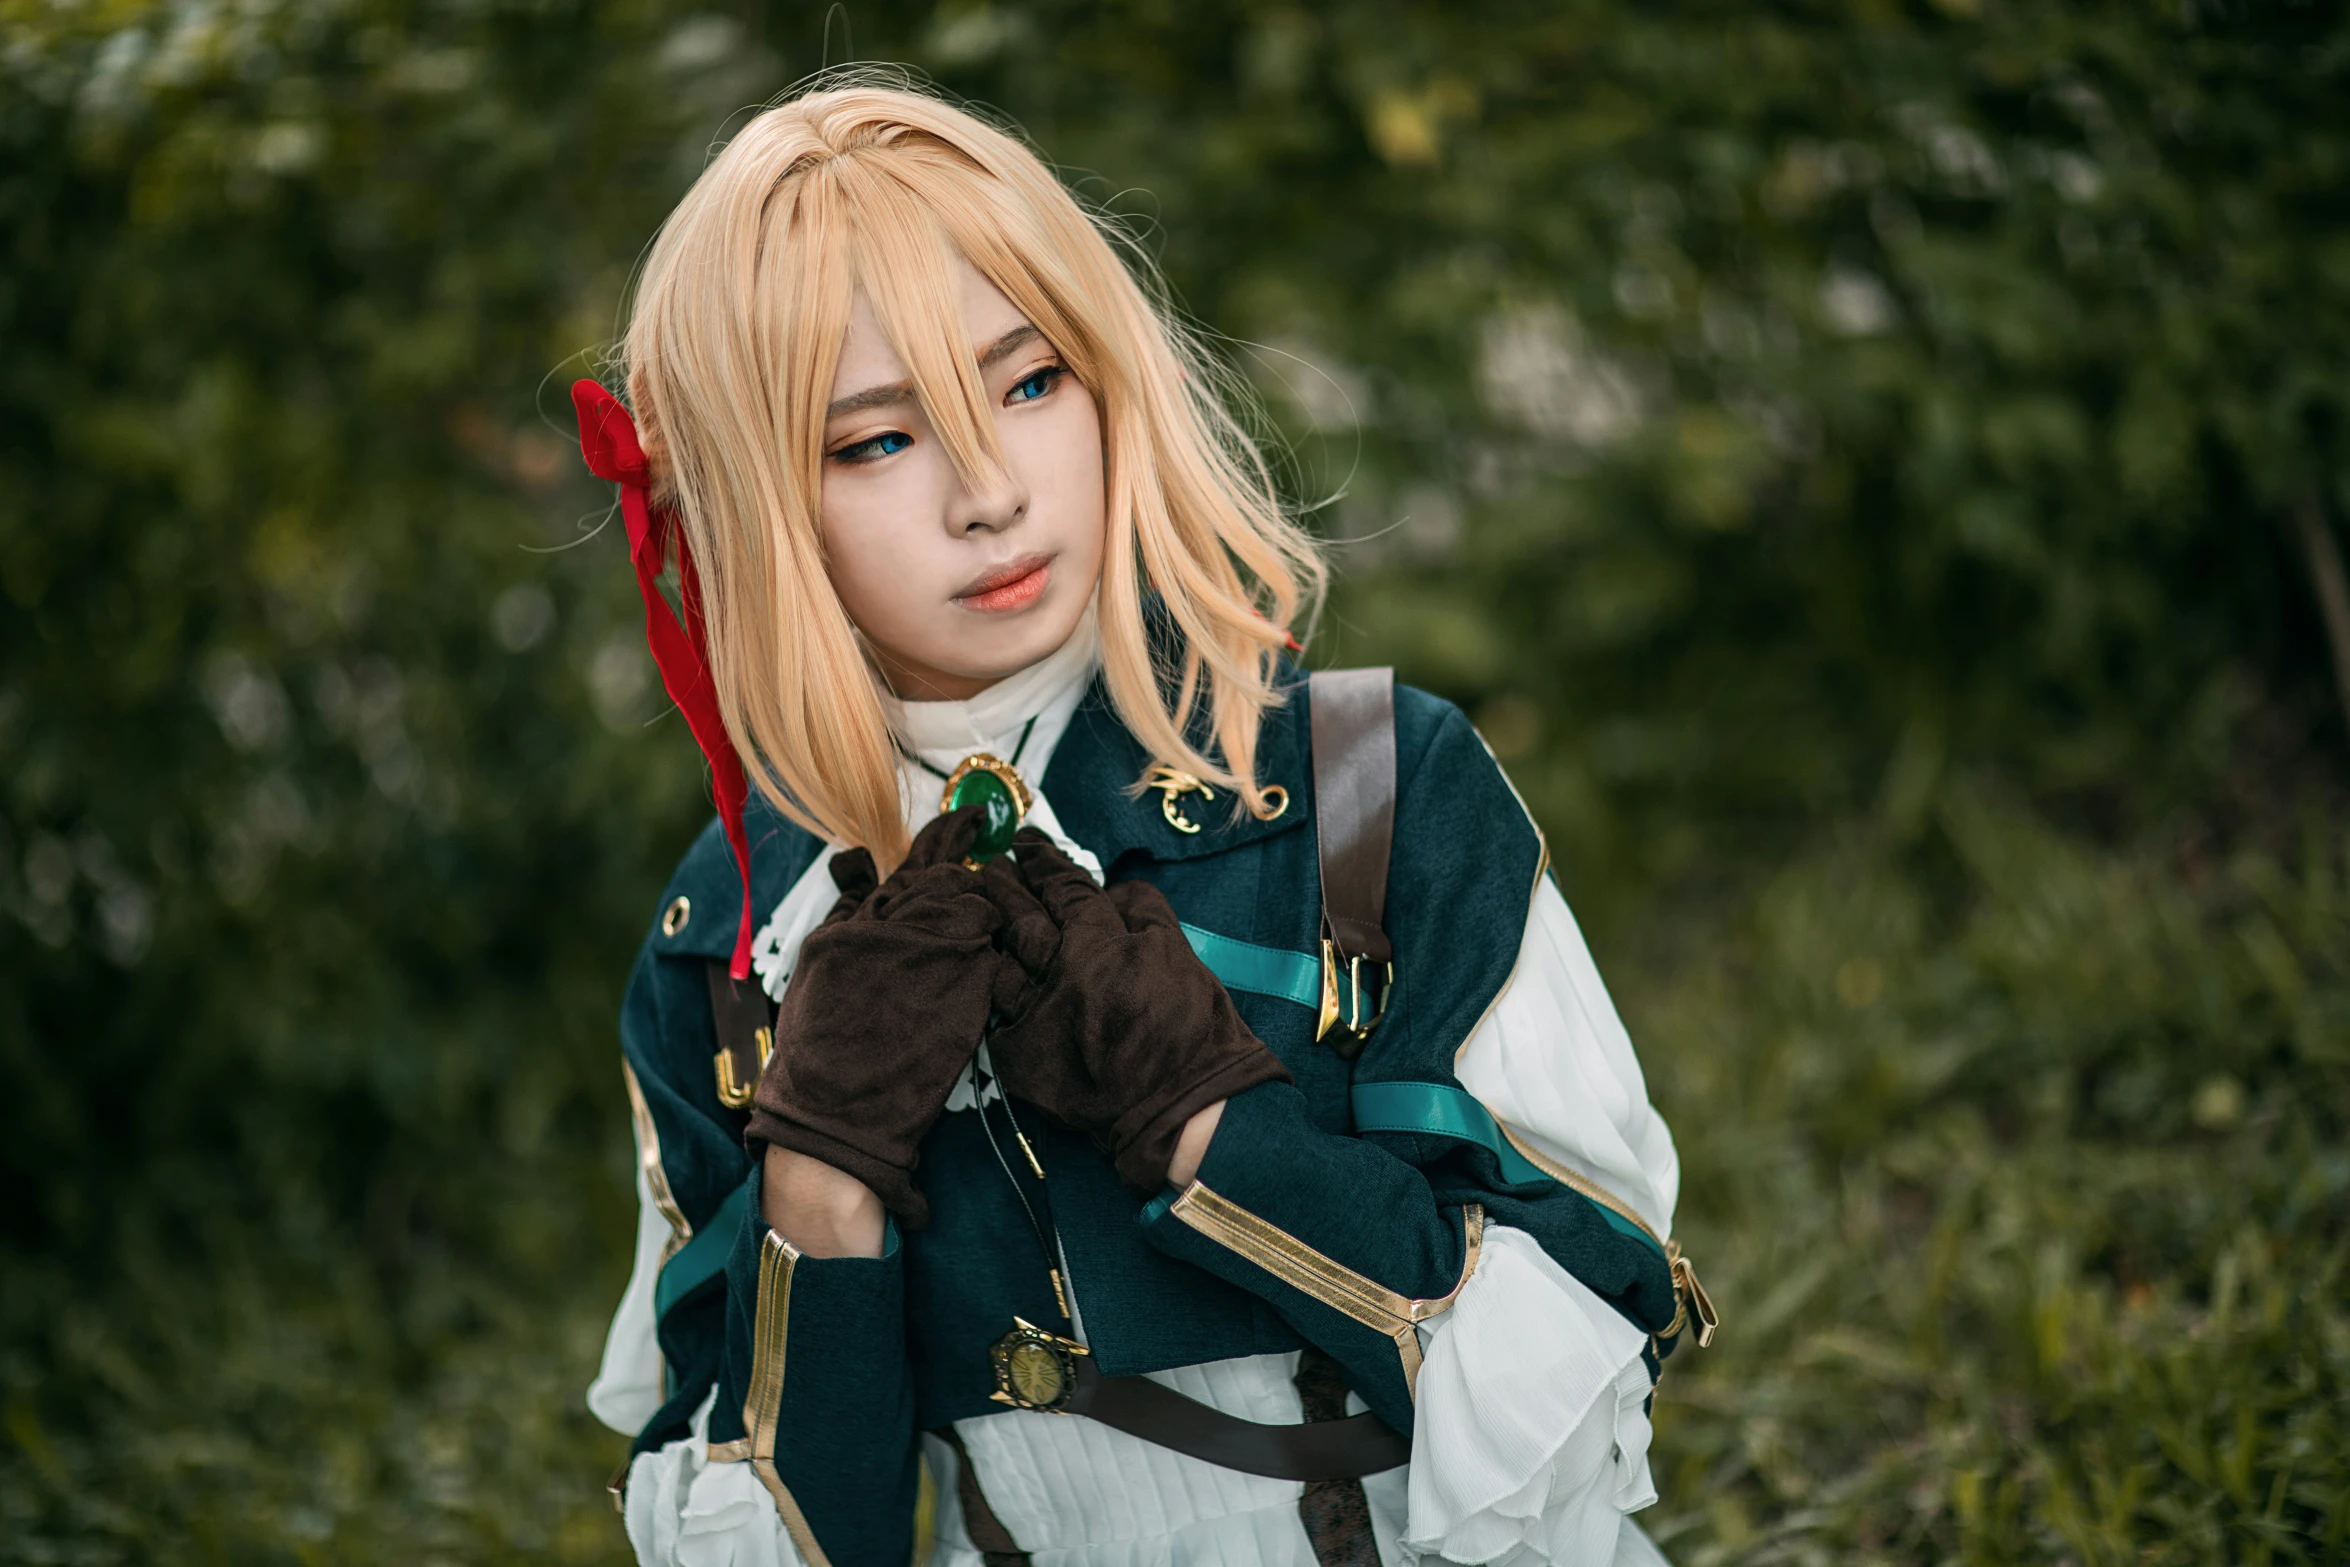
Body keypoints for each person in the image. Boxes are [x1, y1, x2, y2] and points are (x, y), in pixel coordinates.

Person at [577, 78, 1712, 1567]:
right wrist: (818, 1192)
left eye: (1028, 381)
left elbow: (1585, 1388)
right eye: (874, 441)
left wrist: (1212, 1129)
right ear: (745, 507)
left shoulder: (1376, 786)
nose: (987, 490)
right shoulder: (727, 943)